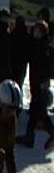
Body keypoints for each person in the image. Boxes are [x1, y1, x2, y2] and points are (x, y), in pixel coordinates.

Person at [18, 18, 54, 149]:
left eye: (37, 31)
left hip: (40, 82)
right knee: (34, 110)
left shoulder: (42, 46)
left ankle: (51, 132)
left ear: (42, 32)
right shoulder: (38, 43)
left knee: (40, 111)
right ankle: (28, 136)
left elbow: (42, 65)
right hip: (36, 82)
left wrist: (44, 81)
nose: (34, 32)